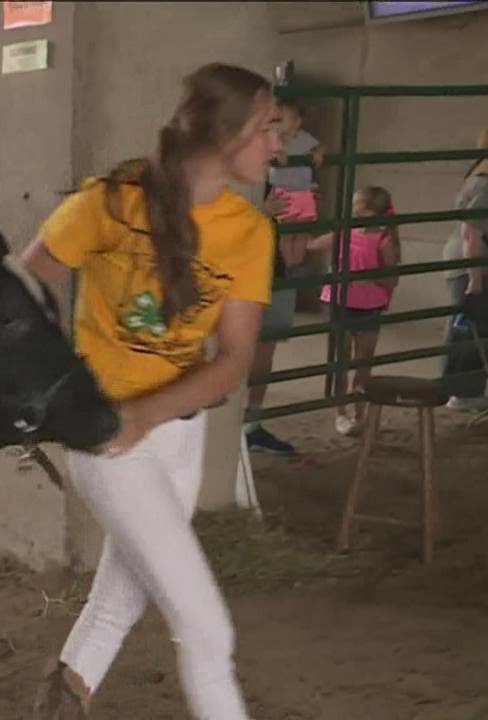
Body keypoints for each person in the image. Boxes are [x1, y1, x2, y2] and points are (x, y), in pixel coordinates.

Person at [21, 63, 280, 720]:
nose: (277, 145)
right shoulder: (113, 201)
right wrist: (63, 384)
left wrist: (151, 411)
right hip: (109, 440)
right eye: (269, 128)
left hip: (177, 434)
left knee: (118, 603)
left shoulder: (249, 232)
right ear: (229, 136)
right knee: (207, 630)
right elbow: (26, 286)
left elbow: (234, 359)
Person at [245, 97, 327, 454]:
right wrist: (260, 211)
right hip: (244, 268)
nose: (279, 134)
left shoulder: (297, 154)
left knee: (266, 346)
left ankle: (251, 423)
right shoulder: (244, 157)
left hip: (275, 267)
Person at [307, 186, 401, 435]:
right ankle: (341, 413)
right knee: (342, 359)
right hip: (341, 303)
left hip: (369, 305)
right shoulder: (344, 233)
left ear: (373, 211)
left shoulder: (384, 240)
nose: (355, 210)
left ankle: (359, 413)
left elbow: (392, 278)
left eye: (360, 206)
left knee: (363, 361)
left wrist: (368, 277)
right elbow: (314, 245)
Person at [441, 123, 488, 411]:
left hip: (477, 260)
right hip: (476, 262)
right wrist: (475, 277)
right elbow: (470, 231)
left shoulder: (481, 177)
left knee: (476, 325)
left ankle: (464, 389)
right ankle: (463, 391)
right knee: (472, 325)